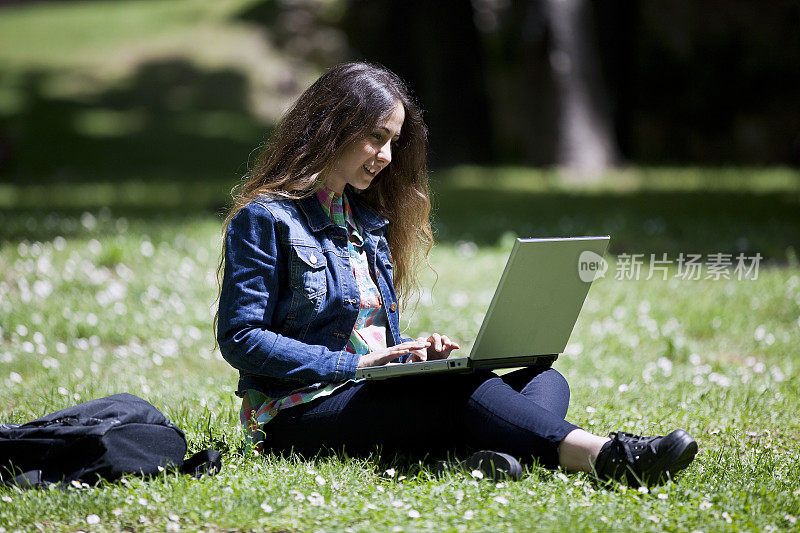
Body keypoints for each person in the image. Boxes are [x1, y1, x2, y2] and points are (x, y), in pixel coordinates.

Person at [215, 62, 697, 485]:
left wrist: (408, 356)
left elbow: (368, 337)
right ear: (332, 126)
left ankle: (495, 459)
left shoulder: (366, 222)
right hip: (297, 415)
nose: (385, 156)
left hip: (370, 394)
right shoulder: (265, 220)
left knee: (544, 381)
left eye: (393, 142)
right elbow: (241, 339)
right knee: (461, 393)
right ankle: (608, 456)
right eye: (376, 137)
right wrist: (358, 366)